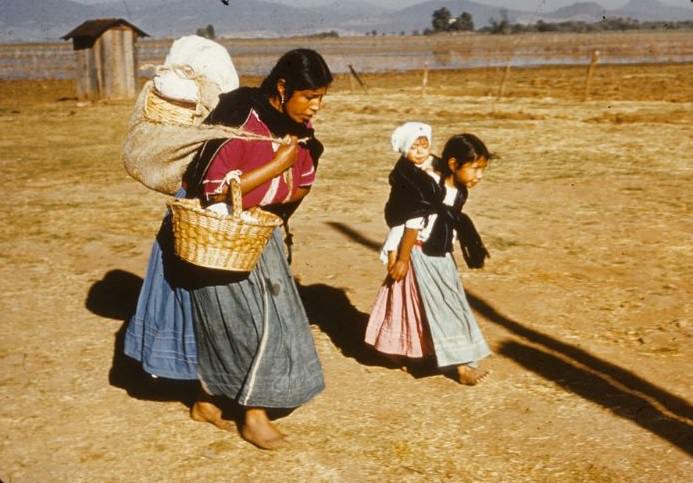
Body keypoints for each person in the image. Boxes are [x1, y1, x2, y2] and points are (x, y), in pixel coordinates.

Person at [125, 48, 333, 450]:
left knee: (274, 319)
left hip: (255, 235)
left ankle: (206, 401)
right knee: (248, 323)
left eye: (321, 98)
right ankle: (254, 414)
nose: (316, 107)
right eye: (310, 97)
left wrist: (287, 192)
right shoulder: (240, 114)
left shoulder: (299, 132)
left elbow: (302, 181)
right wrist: (277, 166)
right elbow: (211, 187)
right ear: (283, 87)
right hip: (218, 235)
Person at [365, 132, 493, 385]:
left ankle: (425, 354)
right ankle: (460, 366)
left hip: (440, 254)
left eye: (482, 170)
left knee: (438, 305)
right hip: (418, 254)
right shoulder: (431, 187)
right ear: (455, 164)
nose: (479, 176)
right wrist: (400, 258)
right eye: (475, 168)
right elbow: (412, 223)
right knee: (423, 305)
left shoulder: (458, 190)